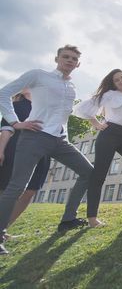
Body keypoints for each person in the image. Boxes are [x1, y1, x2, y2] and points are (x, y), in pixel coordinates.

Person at [0, 45, 93, 255]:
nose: (69, 60)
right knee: (17, 187)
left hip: (59, 140)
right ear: (57, 59)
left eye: (74, 58)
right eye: (66, 57)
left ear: (78, 64)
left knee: (89, 172)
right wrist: (16, 123)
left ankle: (68, 219)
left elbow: (62, 116)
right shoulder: (38, 76)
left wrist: (64, 136)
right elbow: (3, 93)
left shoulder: (71, 88)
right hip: (34, 136)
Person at [74, 69, 122, 227]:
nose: (121, 81)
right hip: (110, 134)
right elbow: (83, 109)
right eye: (117, 80)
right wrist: (97, 125)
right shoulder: (109, 95)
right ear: (113, 84)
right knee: (99, 174)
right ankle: (92, 218)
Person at [0, 90, 51, 240]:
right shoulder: (17, 105)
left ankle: (2, 229)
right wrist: (1, 150)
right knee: (6, 188)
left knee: (31, 190)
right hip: (16, 148)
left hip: (42, 151)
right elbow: (6, 129)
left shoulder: (46, 106)